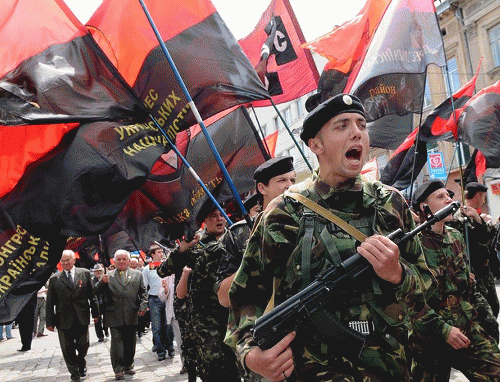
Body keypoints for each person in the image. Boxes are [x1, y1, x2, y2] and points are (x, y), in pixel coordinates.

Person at [225, 93, 434, 381]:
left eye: (361, 124)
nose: (356, 133)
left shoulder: (391, 203)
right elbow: (245, 297)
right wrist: (251, 356)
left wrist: (398, 274)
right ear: (316, 145)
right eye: (342, 126)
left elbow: (427, 290)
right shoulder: (285, 212)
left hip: (392, 369)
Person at [410, 180, 500, 380]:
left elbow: (469, 287)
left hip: (465, 328)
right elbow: (410, 301)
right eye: (440, 197)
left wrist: (487, 321)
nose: (449, 200)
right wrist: (443, 330)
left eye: (448, 196)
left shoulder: (455, 237)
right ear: (424, 208)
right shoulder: (412, 246)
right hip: (430, 339)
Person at [158, 204, 241, 382]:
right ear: (204, 220)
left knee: (236, 363)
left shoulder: (235, 239)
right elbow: (163, 270)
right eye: (213, 216)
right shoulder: (195, 243)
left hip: (233, 314)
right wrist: (182, 249)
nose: (219, 219)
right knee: (211, 365)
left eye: (221, 215)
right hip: (205, 319)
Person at [216, 156, 296, 308]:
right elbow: (224, 298)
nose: (290, 186)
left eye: (293, 180)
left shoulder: (306, 222)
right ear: (262, 188)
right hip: (262, 322)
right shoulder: (239, 234)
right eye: (282, 180)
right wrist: (254, 255)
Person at [46, 250, 99, 381]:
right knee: (67, 348)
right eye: (62, 261)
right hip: (63, 319)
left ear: (74, 260)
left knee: (83, 345)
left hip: (81, 317)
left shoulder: (85, 273)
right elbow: (50, 303)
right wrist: (49, 322)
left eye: (67, 260)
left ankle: (81, 363)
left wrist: (96, 313)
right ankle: (74, 374)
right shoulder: (54, 279)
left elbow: (92, 297)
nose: (65, 263)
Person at [94, 250, 148, 380]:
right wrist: (102, 282)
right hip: (113, 315)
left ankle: (129, 365)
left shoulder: (137, 275)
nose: (122, 261)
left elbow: (144, 293)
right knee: (117, 342)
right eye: (119, 259)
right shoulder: (108, 276)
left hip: (131, 313)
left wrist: (143, 306)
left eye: (124, 259)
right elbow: (95, 291)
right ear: (114, 261)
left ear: (129, 261)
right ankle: (118, 369)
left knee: (130, 342)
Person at [143, 244, 174, 361]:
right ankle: (160, 350)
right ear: (152, 255)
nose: (161, 254)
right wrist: (145, 303)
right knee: (157, 327)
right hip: (154, 299)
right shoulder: (147, 269)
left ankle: (170, 347)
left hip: (167, 298)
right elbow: (144, 286)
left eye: (162, 252)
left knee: (169, 325)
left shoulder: (167, 266)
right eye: (159, 252)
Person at [91, 263, 108, 342]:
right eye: (96, 271)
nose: (98, 273)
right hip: (96, 303)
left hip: (105, 302)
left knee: (106, 319)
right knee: (97, 320)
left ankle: (106, 329)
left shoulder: (106, 278)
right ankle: (100, 336)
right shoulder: (91, 280)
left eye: (100, 271)